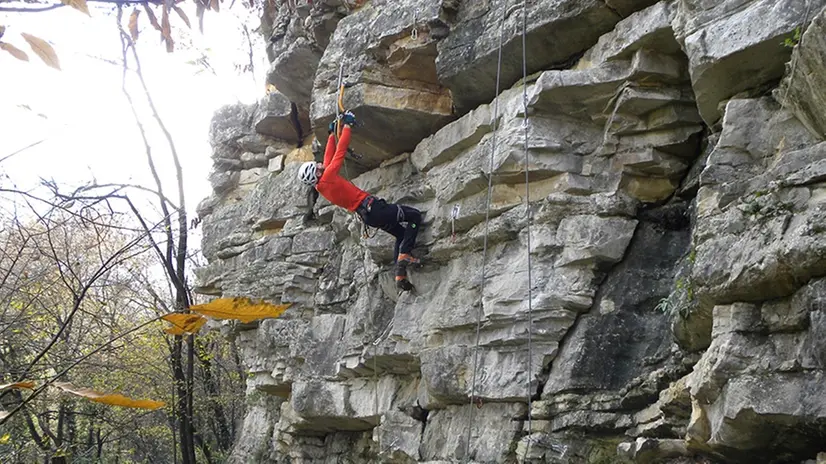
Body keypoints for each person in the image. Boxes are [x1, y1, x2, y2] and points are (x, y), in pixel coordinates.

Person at [298, 112, 423, 291]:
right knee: (414, 217)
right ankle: (405, 255)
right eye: (316, 167)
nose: (319, 165)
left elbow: (328, 157)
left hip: (369, 216)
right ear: (316, 174)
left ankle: (400, 274)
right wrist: (347, 126)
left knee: (401, 234)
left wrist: (332, 134)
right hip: (374, 208)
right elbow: (339, 154)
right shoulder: (327, 178)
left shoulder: (321, 185)